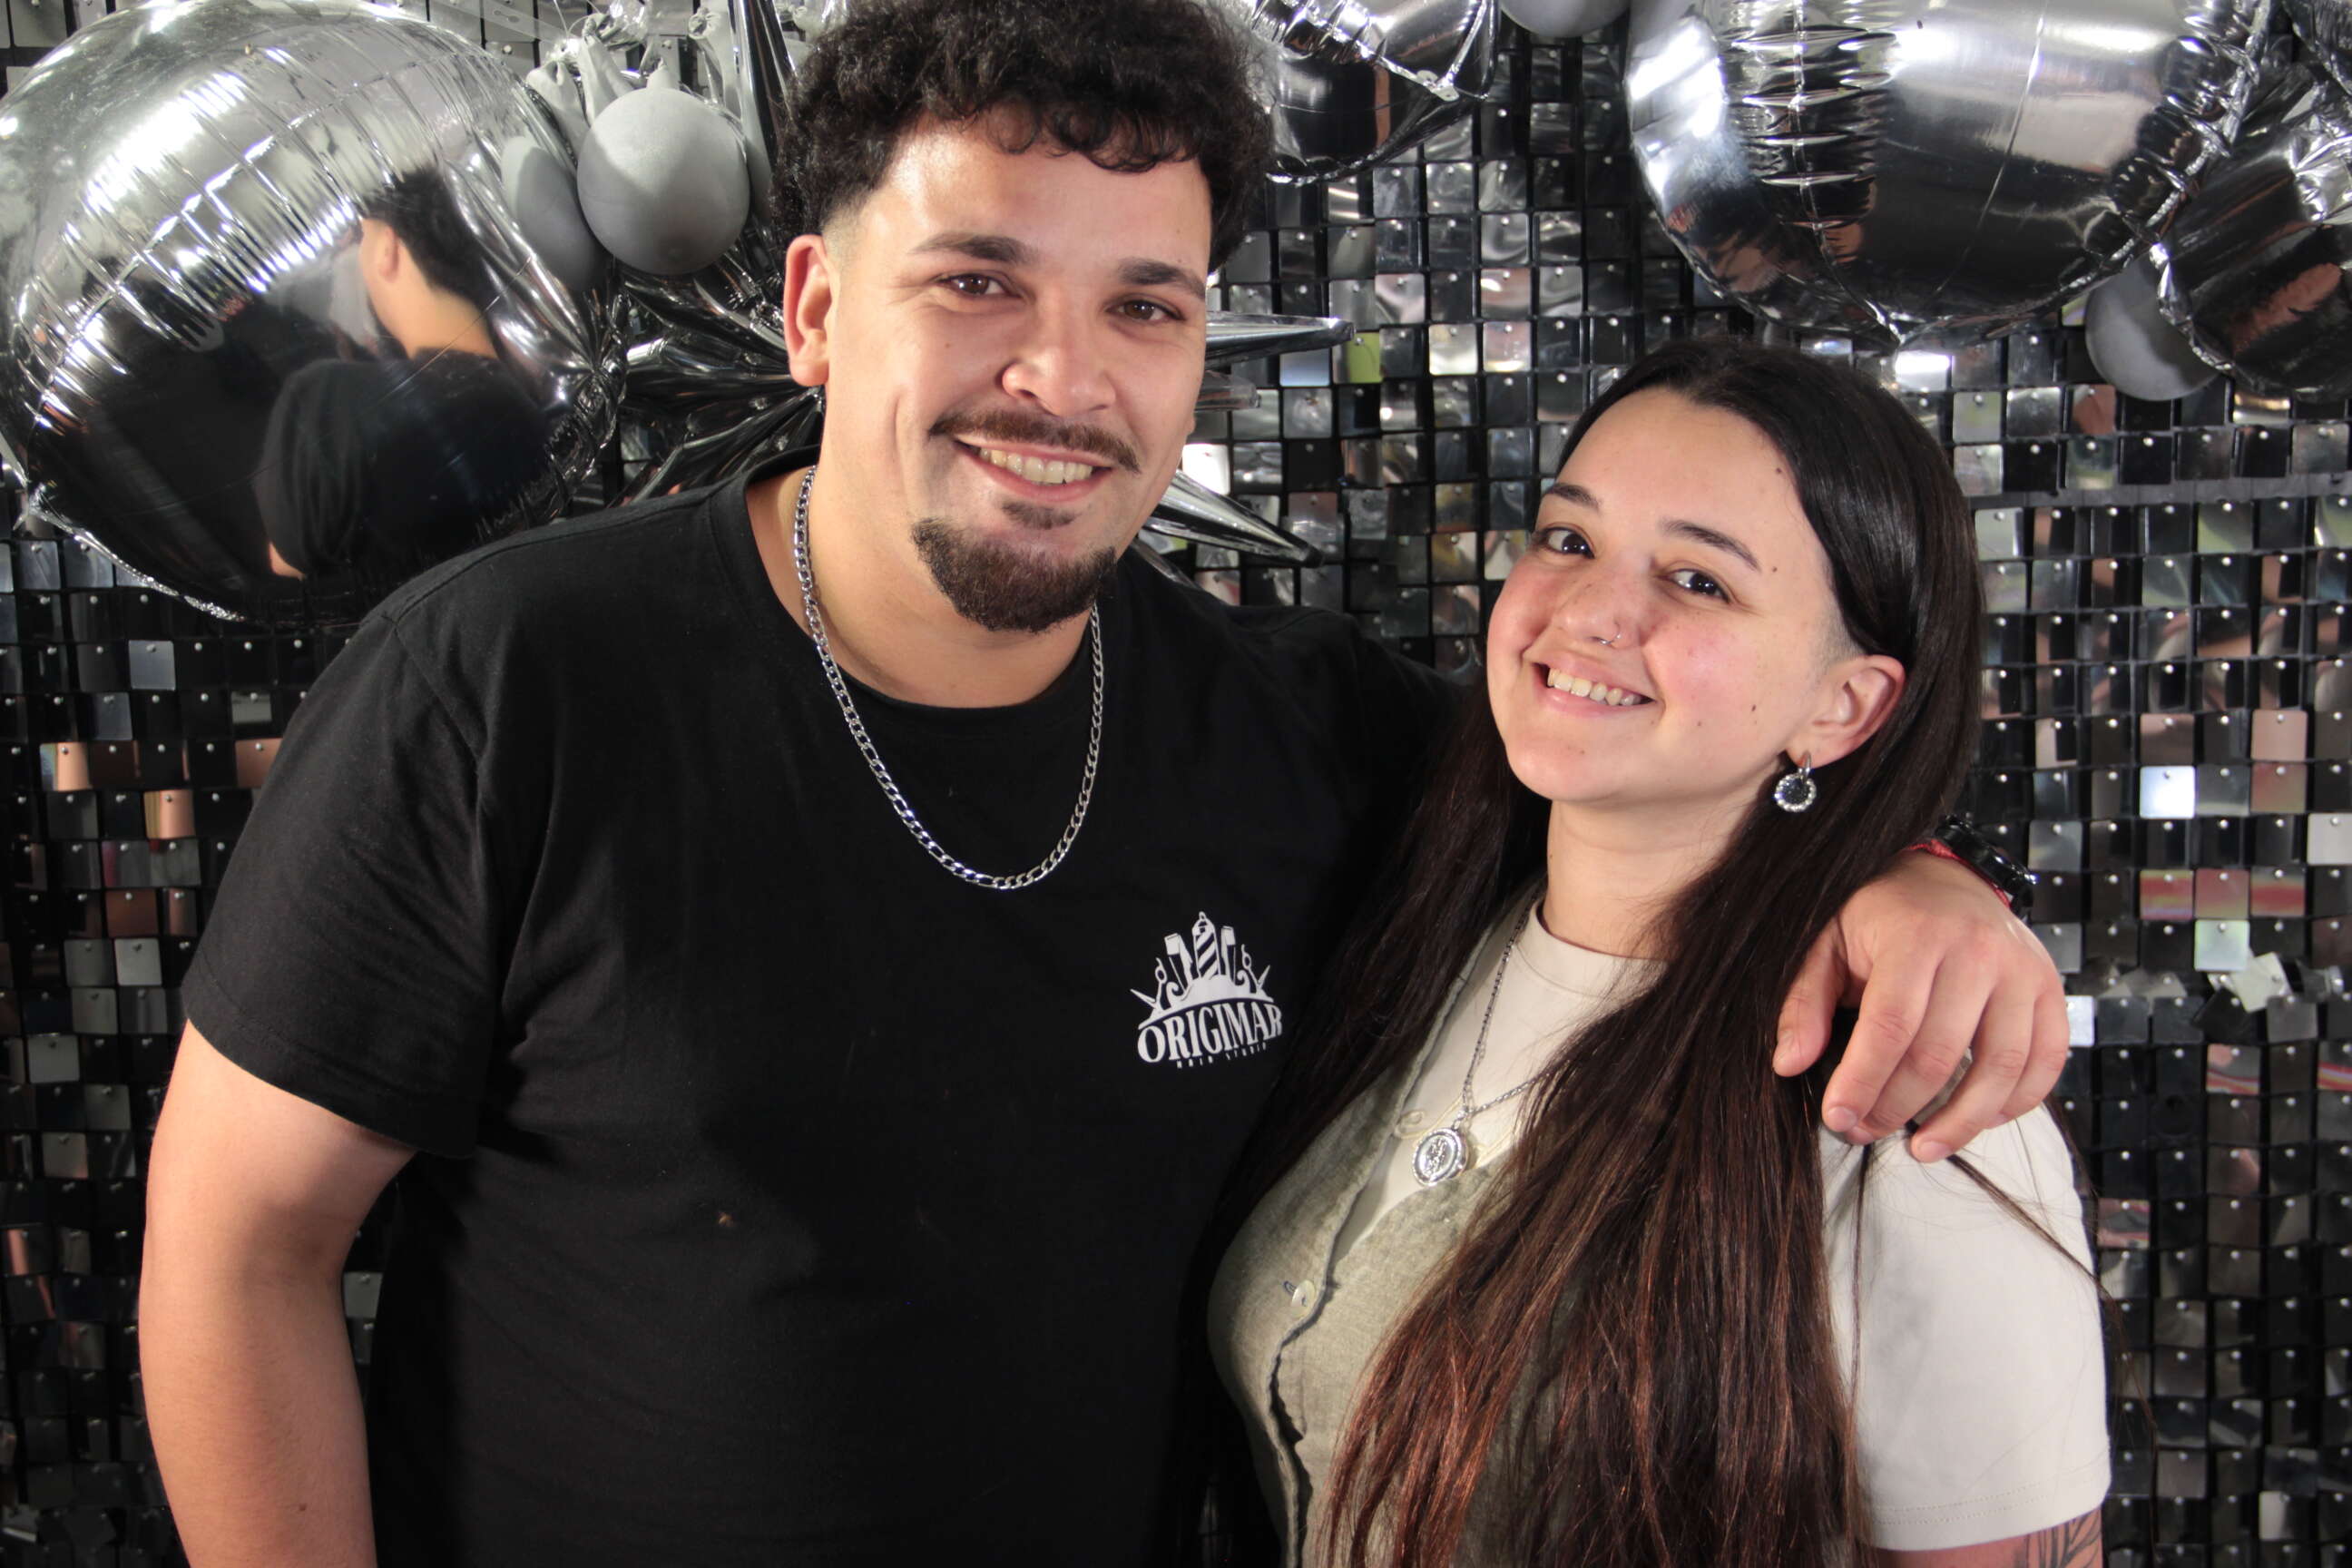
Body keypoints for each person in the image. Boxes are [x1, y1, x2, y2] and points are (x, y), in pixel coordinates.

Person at [137, 2, 2070, 1563]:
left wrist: (1910, 876)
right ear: (816, 310)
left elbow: (1650, 781)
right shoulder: (507, 685)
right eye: (978, 280)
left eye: (1146, 304)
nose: (1064, 379)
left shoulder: (1308, 732)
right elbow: (240, 1251)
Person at [1210, 338, 2105, 1568]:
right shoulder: (1419, 929)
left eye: (1698, 580)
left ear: (1842, 707)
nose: (1587, 613)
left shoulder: (1901, 1095)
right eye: (1569, 538)